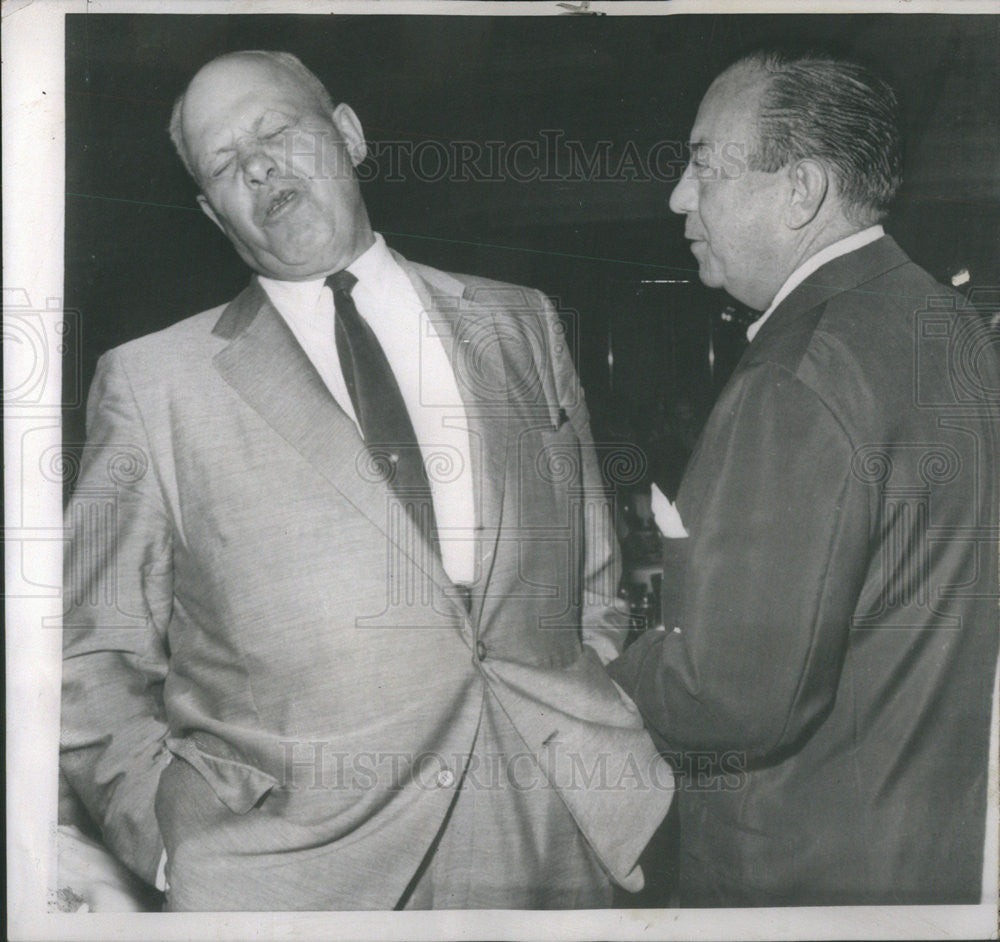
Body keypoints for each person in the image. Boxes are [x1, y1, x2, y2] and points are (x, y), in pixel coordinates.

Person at [59, 50, 673, 911]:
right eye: (227, 164)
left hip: (563, 833)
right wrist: (167, 842)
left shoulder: (519, 322)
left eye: (274, 132)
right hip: (302, 874)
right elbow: (91, 655)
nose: (260, 166)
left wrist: (584, 694)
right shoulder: (152, 384)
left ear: (347, 133)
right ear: (210, 210)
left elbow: (589, 575)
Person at [609, 49, 1000, 906]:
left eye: (703, 164)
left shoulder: (799, 372)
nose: (679, 195)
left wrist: (610, 661)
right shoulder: (948, 323)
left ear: (802, 191)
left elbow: (736, 697)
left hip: (798, 874)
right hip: (931, 850)